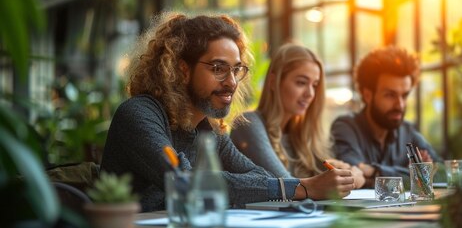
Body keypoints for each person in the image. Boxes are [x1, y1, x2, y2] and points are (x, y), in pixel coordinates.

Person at [100, 13, 355, 212]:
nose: (232, 82)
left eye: (236, 70)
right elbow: (184, 181)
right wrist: (302, 188)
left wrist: (284, 187)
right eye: (218, 68)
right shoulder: (139, 114)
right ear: (182, 70)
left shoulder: (209, 131)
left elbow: (259, 176)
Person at [230, 43, 365, 188]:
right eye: (301, 83)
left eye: (314, 85)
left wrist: (350, 176)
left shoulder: (303, 137)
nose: (310, 94)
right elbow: (290, 188)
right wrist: (350, 178)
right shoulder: (248, 123)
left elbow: (345, 179)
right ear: (273, 82)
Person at [330, 46, 442, 187]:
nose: (400, 105)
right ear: (367, 95)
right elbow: (351, 175)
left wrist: (372, 171)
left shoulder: (408, 131)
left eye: (405, 95)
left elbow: (442, 174)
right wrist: (415, 175)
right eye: (390, 95)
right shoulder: (345, 127)